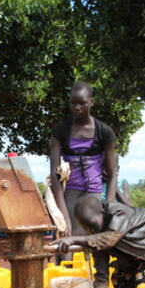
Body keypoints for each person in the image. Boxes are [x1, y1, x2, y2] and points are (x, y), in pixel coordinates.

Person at [49, 81, 128, 261]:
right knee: (65, 239)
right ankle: (65, 278)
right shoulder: (60, 131)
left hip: (93, 193)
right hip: (70, 192)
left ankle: (94, 281)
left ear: (91, 102)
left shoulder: (104, 132)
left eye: (82, 103)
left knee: (94, 240)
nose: (76, 107)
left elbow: (112, 172)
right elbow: (54, 173)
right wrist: (64, 215)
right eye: (73, 103)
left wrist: (108, 205)